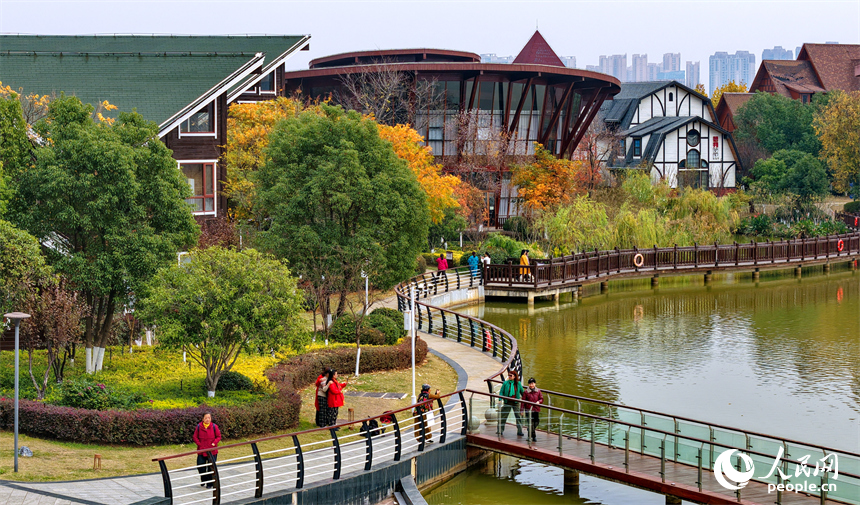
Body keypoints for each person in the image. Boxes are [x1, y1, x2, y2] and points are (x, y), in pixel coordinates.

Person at [192, 413, 221, 489]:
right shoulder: (199, 427)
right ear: (203, 419)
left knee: (210, 467)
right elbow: (195, 437)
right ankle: (204, 479)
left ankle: (210, 483)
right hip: (202, 450)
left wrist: (214, 443)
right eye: (206, 418)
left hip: (212, 451)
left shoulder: (214, 426)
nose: (208, 419)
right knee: (200, 466)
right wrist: (199, 444)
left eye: (209, 418)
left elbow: (218, 436)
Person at [497, 369, 524, 437]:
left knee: (518, 417)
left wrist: (526, 400)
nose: (509, 377)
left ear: (514, 376)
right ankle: (500, 430)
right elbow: (501, 391)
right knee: (503, 416)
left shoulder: (518, 383)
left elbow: (522, 392)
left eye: (511, 375)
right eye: (508, 375)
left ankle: (520, 431)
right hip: (507, 402)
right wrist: (500, 399)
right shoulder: (505, 383)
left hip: (516, 402)